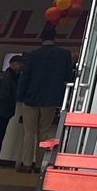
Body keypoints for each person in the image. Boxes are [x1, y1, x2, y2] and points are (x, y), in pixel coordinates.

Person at [16, 24, 74, 172]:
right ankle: (40, 164)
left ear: (41, 38)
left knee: (29, 132)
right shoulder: (64, 55)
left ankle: (26, 164)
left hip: (30, 98)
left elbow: (25, 78)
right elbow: (68, 76)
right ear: (55, 38)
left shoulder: (32, 55)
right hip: (50, 99)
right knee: (44, 131)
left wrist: (20, 97)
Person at [0, 54, 23, 168]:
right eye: (19, 64)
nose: (21, 66)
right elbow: (5, 95)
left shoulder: (6, 75)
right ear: (13, 64)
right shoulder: (8, 77)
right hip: (1, 110)